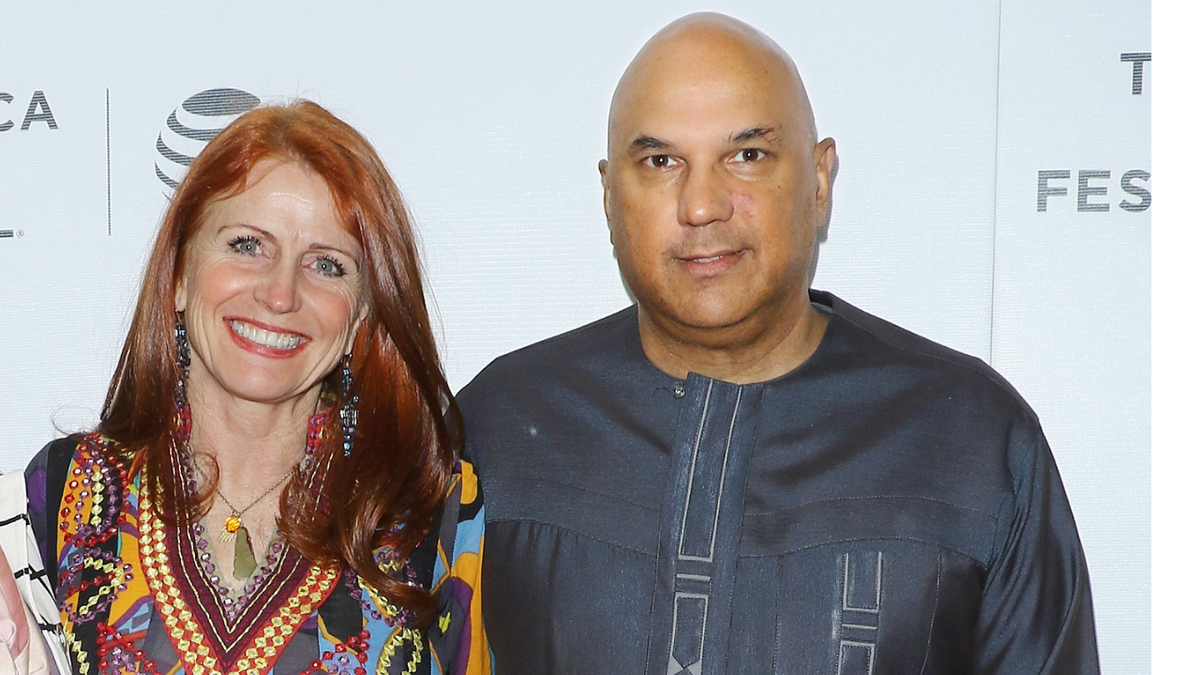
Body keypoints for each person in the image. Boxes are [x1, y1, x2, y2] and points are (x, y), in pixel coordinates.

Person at [458, 12, 1099, 675]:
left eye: (747, 155)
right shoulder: (498, 427)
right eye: (659, 160)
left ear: (819, 182)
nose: (701, 204)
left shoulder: (971, 439)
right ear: (610, 195)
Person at [24, 101, 490, 675]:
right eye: (248, 245)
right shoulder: (62, 496)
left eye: (327, 265)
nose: (280, 294)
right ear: (178, 276)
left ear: (361, 319)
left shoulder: (426, 513)